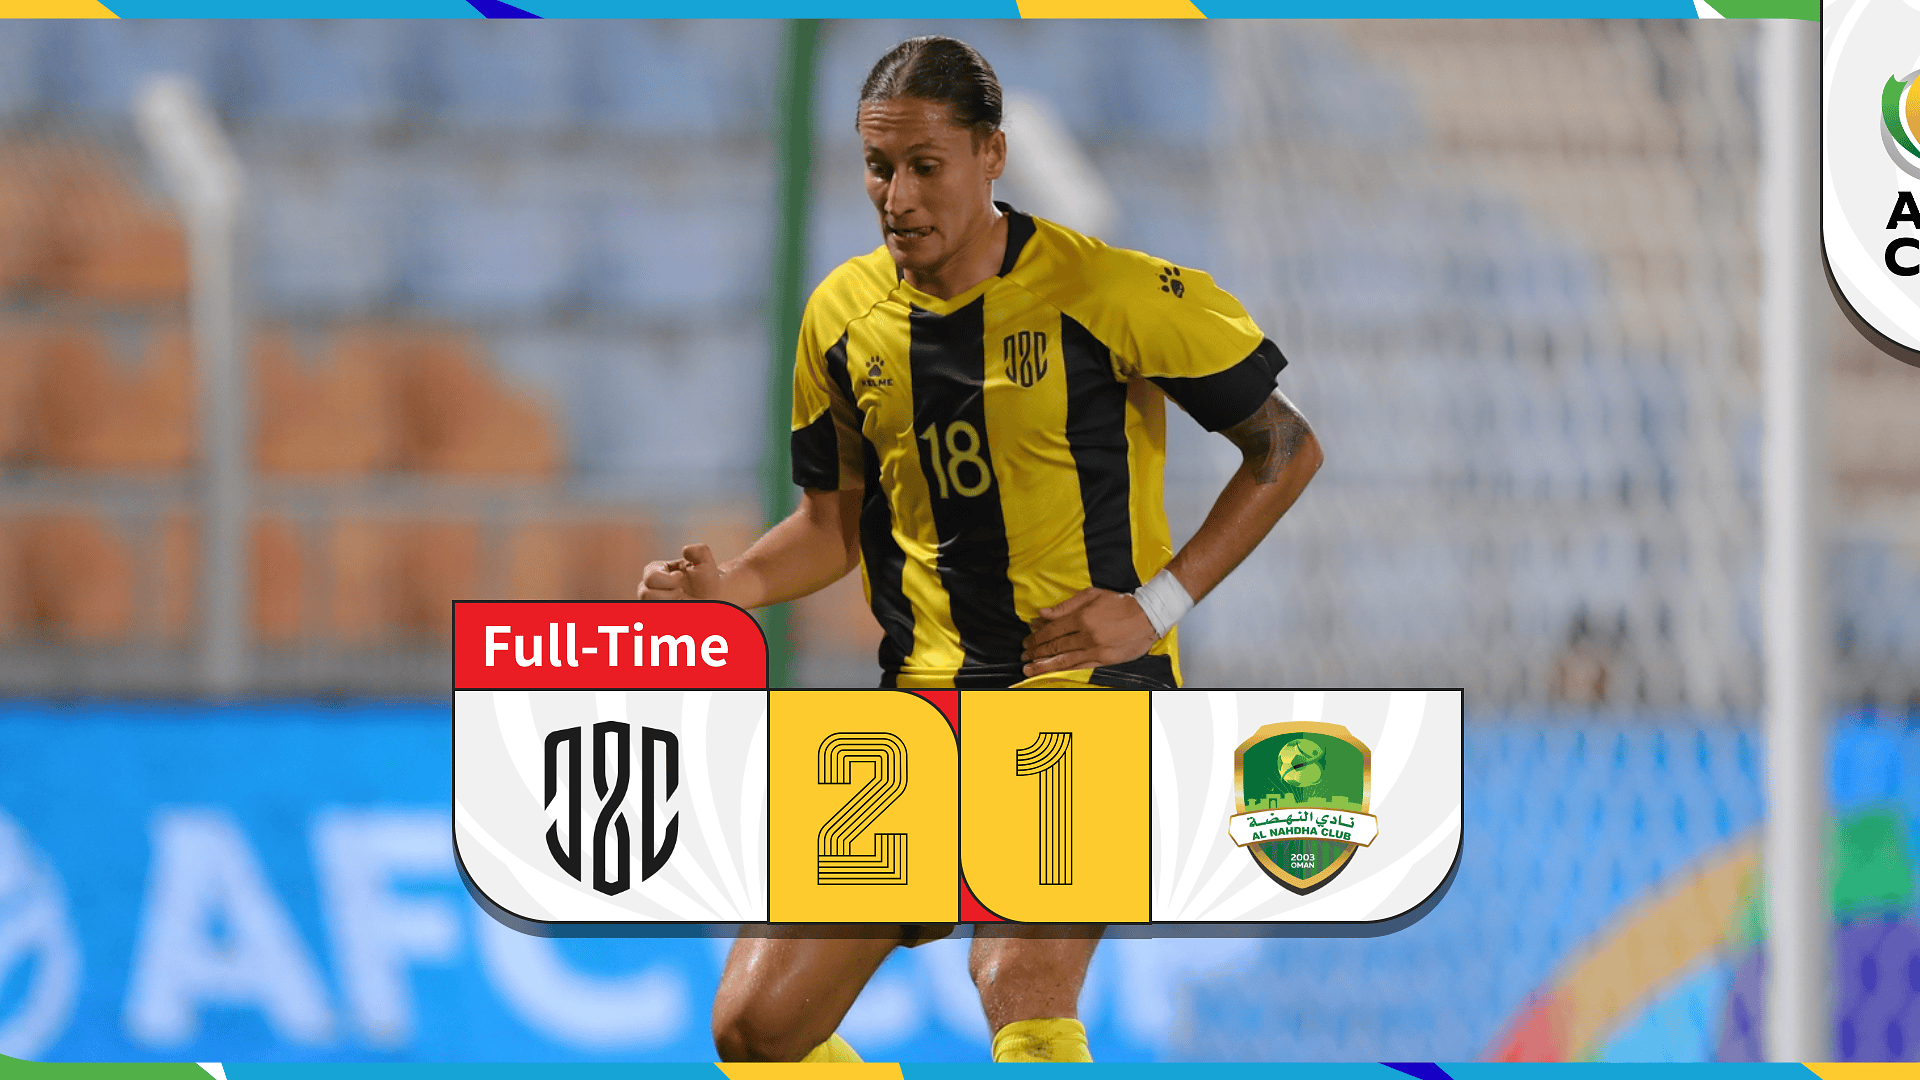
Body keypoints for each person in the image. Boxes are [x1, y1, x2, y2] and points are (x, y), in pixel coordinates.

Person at [639, 35, 1321, 1063]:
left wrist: (1157, 606)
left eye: (926, 165)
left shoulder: (1107, 292)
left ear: (991, 155)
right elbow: (833, 521)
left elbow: (1286, 447)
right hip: (924, 710)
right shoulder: (841, 319)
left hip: (1086, 693)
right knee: (755, 1027)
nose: (898, 196)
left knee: (1020, 984)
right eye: (878, 167)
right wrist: (735, 584)